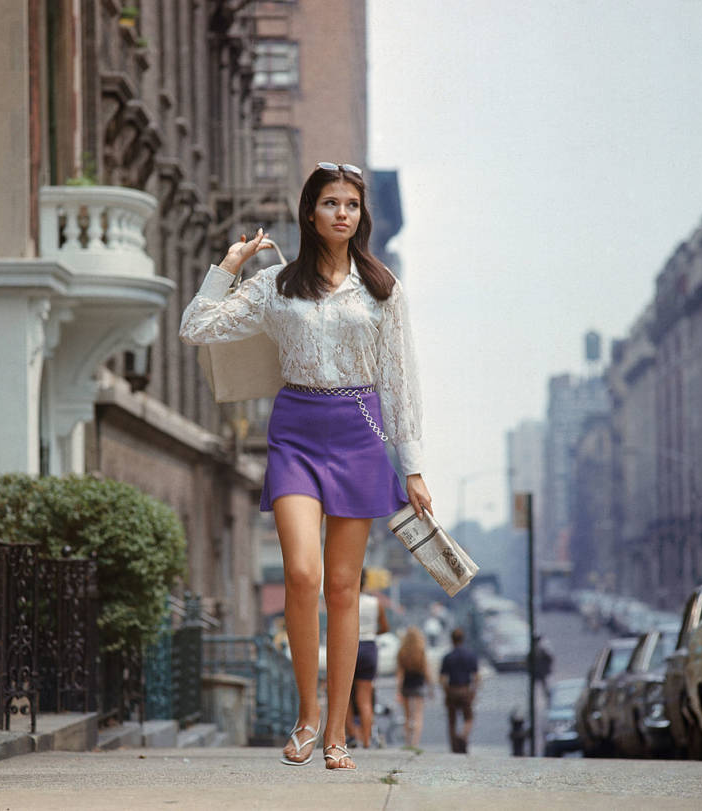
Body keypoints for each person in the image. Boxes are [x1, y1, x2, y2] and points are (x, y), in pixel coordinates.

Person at [179, 162, 431, 771]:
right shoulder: (276, 285)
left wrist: (414, 465)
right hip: (294, 432)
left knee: (344, 590)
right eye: (330, 203)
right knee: (301, 574)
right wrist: (230, 267)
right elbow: (195, 328)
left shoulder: (382, 288)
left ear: (359, 216)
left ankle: (339, 733)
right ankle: (307, 718)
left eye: (351, 204)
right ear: (310, 213)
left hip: (359, 433)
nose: (342, 213)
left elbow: (400, 381)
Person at [345, 569, 389, 748]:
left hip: (349, 646)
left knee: (345, 696)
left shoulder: (347, 599)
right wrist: (371, 632)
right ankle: (367, 740)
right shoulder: (375, 603)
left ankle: (352, 735)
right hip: (369, 648)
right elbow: (385, 627)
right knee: (365, 698)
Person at [440, 627, 479, 753]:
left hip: (452, 689)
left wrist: (446, 691)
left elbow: (442, 678)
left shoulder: (447, 657)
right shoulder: (471, 655)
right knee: (468, 718)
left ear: (452, 640)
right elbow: (476, 677)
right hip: (465, 689)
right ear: (463, 639)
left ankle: (454, 746)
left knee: (452, 720)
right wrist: (473, 691)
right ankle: (463, 735)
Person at [396, 626, 432, 747]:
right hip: (418, 686)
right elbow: (426, 670)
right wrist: (431, 687)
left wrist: (398, 691)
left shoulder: (402, 652)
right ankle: (415, 743)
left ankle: (407, 741)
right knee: (418, 715)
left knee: (407, 716)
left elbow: (400, 674)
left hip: (406, 686)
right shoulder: (421, 651)